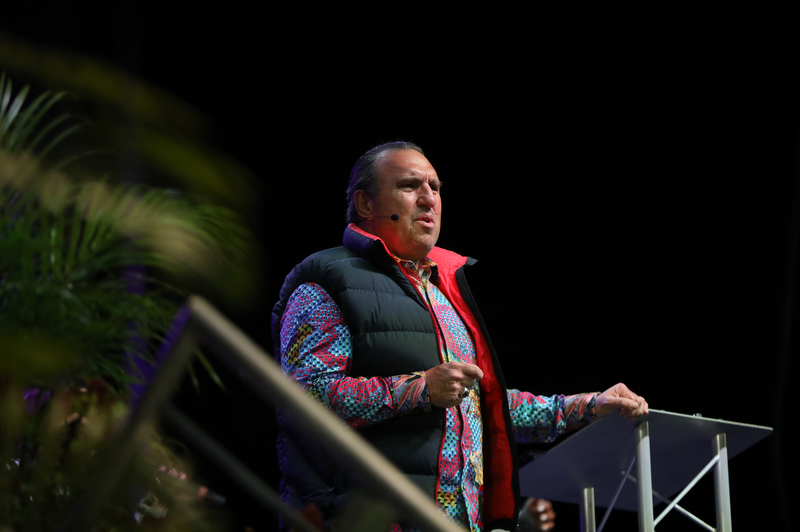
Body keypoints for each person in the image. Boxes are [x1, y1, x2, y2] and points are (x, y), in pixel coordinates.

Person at [271, 141, 648, 532]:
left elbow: (483, 407)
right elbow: (303, 400)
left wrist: (587, 406)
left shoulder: (443, 293)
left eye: (435, 187)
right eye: (409, 185)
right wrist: (419, 389)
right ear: (365, 204)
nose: (428, 198)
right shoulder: (327, 282)